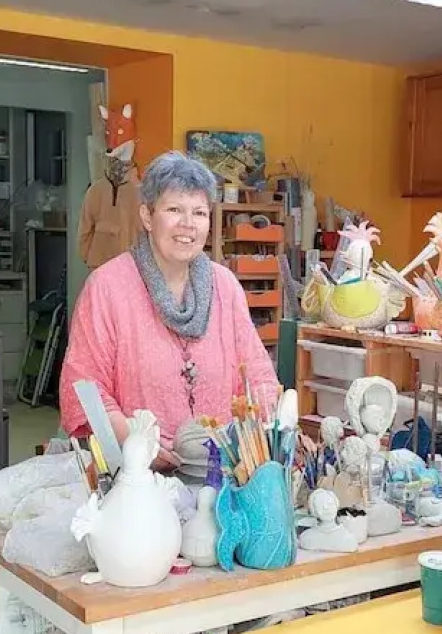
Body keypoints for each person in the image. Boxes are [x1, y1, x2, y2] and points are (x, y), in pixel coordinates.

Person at [60, 150, 279, 455]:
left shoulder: (225, 286)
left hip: (222, 468)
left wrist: (270, 433)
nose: (188, 224)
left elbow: (256, 374)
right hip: (138, 475)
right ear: (147, 216)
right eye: (175, 209)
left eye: (199, 213)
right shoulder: (107, 287)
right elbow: (85, 385)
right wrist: (139, 446)